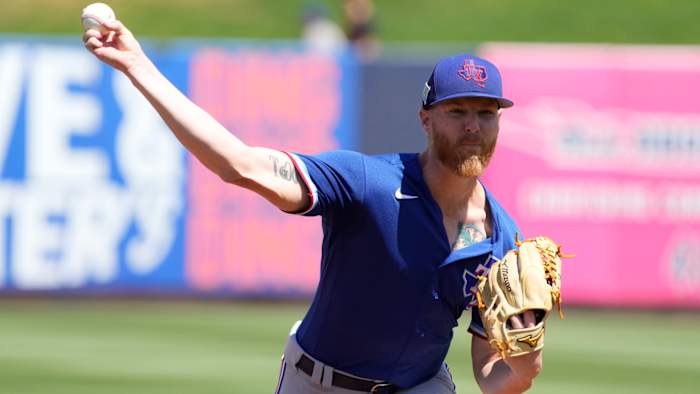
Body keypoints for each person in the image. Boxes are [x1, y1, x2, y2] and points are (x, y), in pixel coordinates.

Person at [83, 18, 543, 394]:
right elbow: (240, 165)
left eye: (486, 113)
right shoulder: (370, 183)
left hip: (421, 386)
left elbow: (490, 375)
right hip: (319, 383)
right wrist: (137, 66)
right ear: (426, 118)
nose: (473, 126)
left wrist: (523, 370)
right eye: (457, 111)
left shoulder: (503, 240)